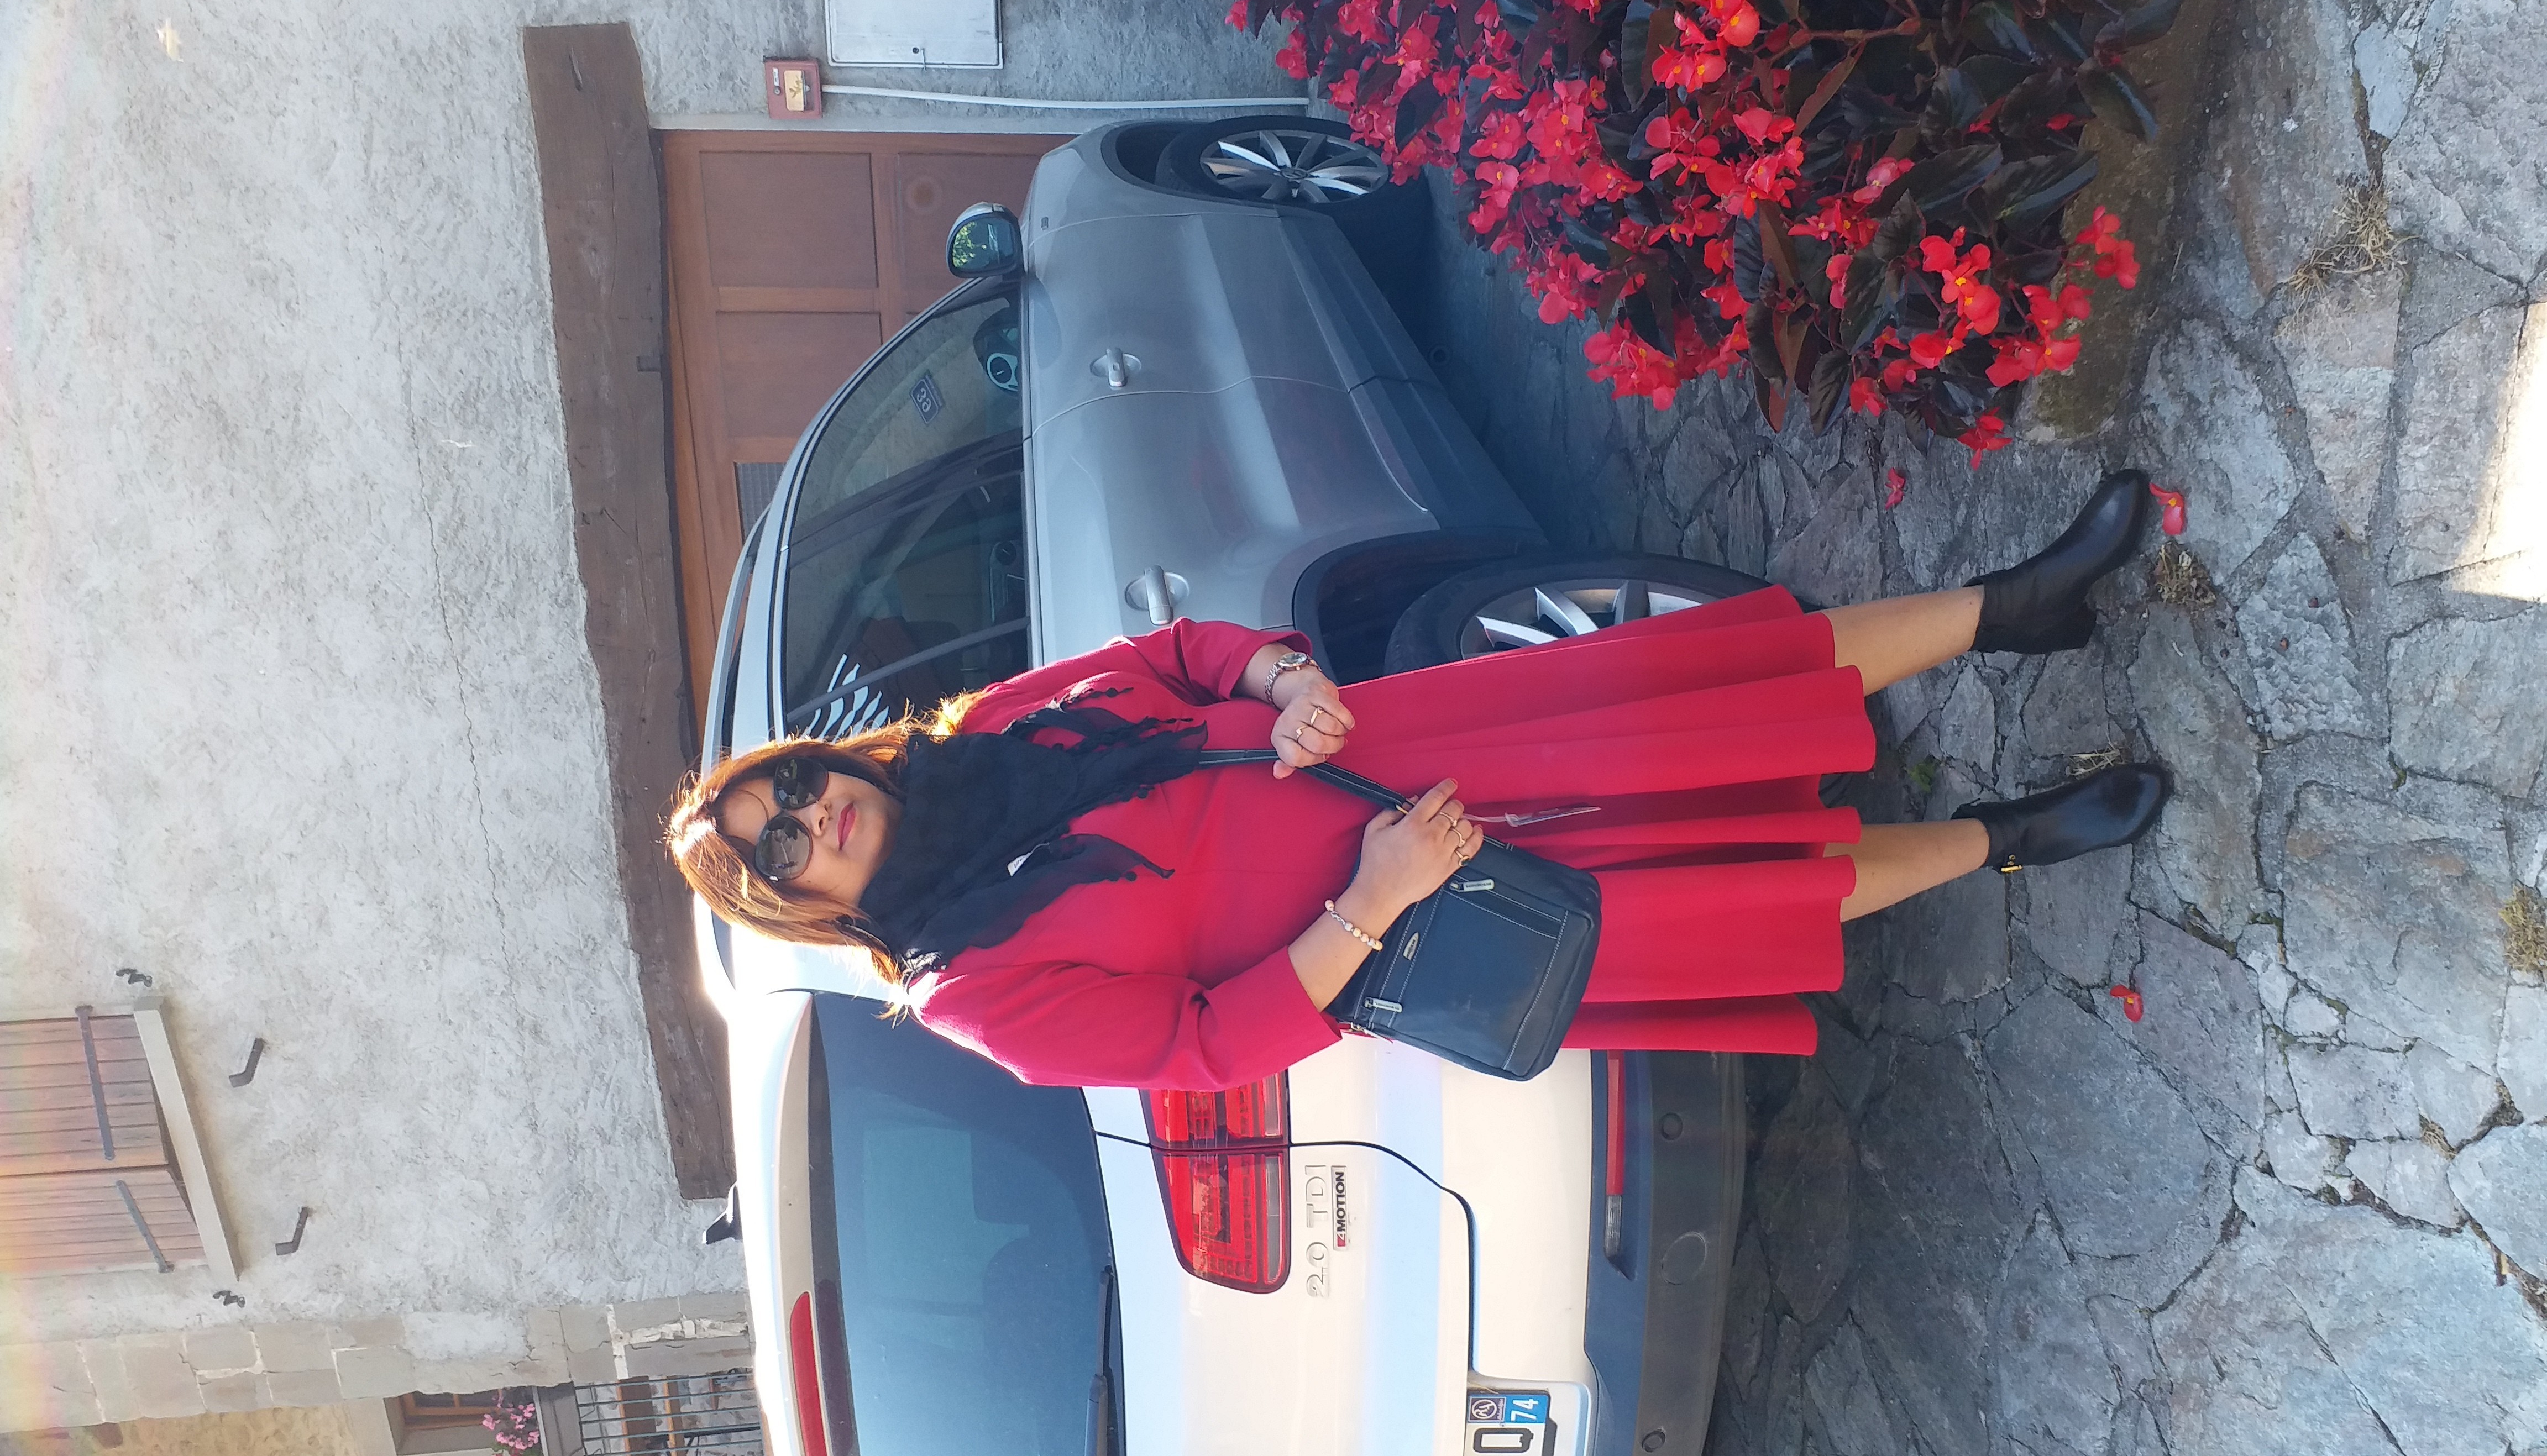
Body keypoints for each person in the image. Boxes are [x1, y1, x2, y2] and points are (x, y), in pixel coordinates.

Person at [668, 472, 2168, 1092]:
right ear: (801, 904)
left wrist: (1283, 681)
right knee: (1743, 898)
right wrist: (1375, 901)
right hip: (1429, 903)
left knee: (1715, 686)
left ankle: (2014, 605)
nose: (809, 820)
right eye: (780, 851)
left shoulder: (979, 731)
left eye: (784, 789)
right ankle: (2004, 839)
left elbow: (1179, 656)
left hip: (1429, 740)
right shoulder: (974, 993)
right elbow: (1206, 1048)